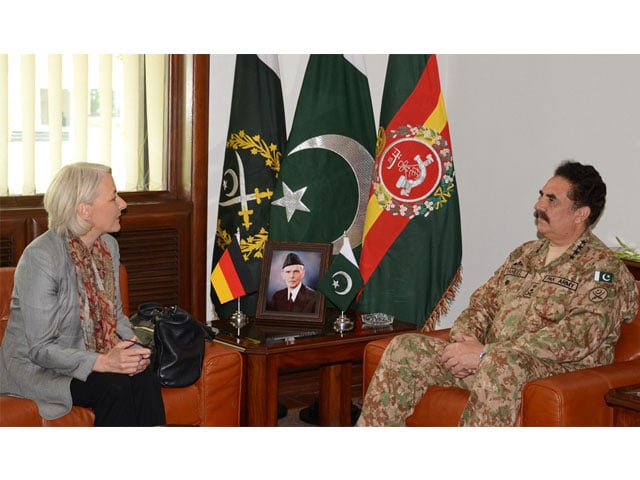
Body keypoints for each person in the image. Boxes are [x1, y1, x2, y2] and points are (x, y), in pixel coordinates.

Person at [357, 161, 639, 427]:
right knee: (403, 348)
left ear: (581, 213)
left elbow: (578, 337)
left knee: (500, 367)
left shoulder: (602, 269)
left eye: (552, 200)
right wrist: (465, 339)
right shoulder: (525, 254)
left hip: (554, 370)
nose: (538, 205)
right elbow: (483, 303)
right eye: (541, 195)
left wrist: (486, 354)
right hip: (491, 358)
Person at [0, 162, 166, 426]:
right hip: (39, 370)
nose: (122, 204)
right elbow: (40, 349)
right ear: (84, 211)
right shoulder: (41, 257)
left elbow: (116, 316)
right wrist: (102, 361)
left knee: (144, 377)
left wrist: (135, 348)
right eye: (113, 197)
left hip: (87, 356)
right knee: (115, 387)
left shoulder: (108, 247)